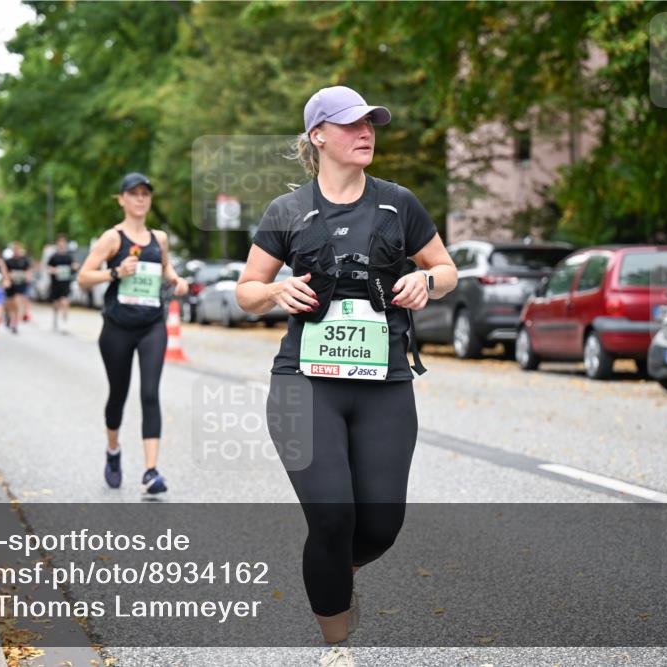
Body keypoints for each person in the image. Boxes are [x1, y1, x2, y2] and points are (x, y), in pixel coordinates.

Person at [235, 86, 457, 661]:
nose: (366, 132)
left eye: (370, 123)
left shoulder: (398, 203)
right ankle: (337, 647)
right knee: (332, 516)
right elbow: (245, 292)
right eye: (351, 124)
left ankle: (334, 568)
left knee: (380, 524)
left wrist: (427, 282)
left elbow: (446, 268)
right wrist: (276, 289)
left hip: (384, 384)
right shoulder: (287, 211)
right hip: (303, 383)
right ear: (318, 136)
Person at [77, 172, 188, 495]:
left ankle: (151, 471)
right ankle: (113, 451)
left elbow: (165, 268)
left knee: (150, 393)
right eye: (134, 193)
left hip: (153, 325)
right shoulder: (112, 238)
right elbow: (84, 276)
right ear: (122, 199)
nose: (141, 199)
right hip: (117, 328)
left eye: (146, 194)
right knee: (118, 395)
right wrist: (115, 272)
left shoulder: (160, 239)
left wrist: (176, 280)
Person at [46, 233, 78, 333]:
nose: (62, 244)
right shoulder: (53, 257)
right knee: (56, 303)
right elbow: (48, 268)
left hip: (65, 283)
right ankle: (55, 319)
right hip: (56, 284)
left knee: (65, 302)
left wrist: (75, 267)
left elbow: (74, 265)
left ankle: (65, 324)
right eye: (60, 242)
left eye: (63, 243)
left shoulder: (68, 257)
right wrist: (55, 270)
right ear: (57, 244)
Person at [5, 242, 32, 334]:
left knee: (17, 304)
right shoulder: (8, 261)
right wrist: (10, 275)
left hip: (20, 285)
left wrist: (27, 276)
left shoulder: (24, 261)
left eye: (18, 250)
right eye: (15, 250)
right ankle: (8, 317)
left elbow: (28, 272)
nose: (17, 251)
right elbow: (4, 273)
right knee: (9, 305)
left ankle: (14, 323)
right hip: (10, 286)